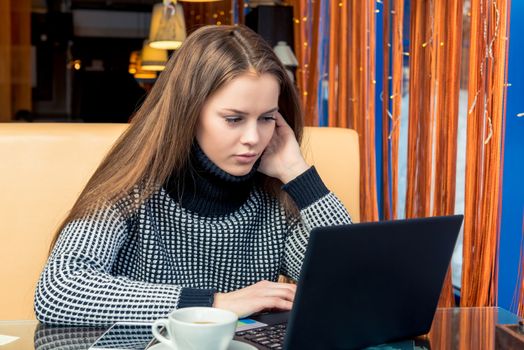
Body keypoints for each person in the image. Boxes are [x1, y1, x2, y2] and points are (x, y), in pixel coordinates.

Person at [34, 25, 352, 326]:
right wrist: (214, 303)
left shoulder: (273, 200)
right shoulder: (132, 189)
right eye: (233, 119)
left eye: (267, 118)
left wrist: (299, 174)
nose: (254, 138)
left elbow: (350, 279)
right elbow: (58, 291)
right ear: (188, 112)